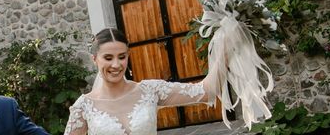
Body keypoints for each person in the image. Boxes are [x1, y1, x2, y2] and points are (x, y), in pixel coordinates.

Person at [63, 28, 223, 135]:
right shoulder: (83, 106)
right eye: (108, 58)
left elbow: (206, 91)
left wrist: (226, 48)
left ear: (128, 55)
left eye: (122, 57)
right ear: (94, 59)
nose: (116, 65)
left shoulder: (150, 90)